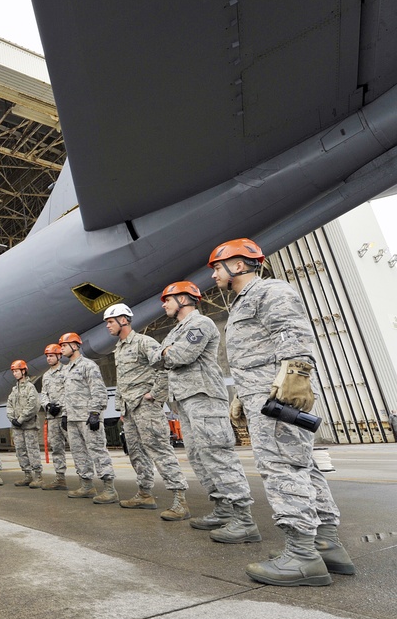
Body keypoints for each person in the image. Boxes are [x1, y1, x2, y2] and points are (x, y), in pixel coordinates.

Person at [209, 238, 353, 586]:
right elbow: (254, 354)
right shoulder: (244, 302)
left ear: (239, 265)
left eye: (217, 267)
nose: (213, 275)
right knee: (303, 466)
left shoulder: (270, 291)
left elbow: (291, 330)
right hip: (262, 393)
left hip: (277, 395)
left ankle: (302, 555)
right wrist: (242, 396)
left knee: (281, 468)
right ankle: (325, 543)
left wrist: (297, 374)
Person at [150, 281, 258, 538]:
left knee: (218, 453)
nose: (164, 304)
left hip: (205, 397)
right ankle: (223, 509)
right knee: (199, 456)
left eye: (168, 298)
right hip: (185, 400)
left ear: (185, 299)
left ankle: (244, 519)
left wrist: (167, 352)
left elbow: (179, 357)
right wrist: (166, 351)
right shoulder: (177, 330)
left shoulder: (201, 324)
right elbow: (155, 358)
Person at [104, 303, 190, 521]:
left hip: (146, 408)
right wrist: (121, 407)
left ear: (124, 320)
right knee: (135, 452)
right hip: (130, 410)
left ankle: (180, 500)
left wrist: (155, 395)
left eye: (110, 322)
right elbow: (123, 381)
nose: (108, 326)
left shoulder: (144, 342)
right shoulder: (120, 348)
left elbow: (165, 367)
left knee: (159, 450)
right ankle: (145, 494)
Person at [59, 333, 115, 502]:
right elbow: (66, 395)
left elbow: (98, 390)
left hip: (88, 417)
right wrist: (64, 414)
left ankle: (109, 489)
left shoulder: (88, 366)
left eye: (64, 345)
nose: (61, 348)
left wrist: (95, 413)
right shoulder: (67, 369)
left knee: (97, 451)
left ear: (75, 346)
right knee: (78, 453)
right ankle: (87, 486)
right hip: (73, 419)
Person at [8, 360, 43, 488]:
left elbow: (33, 405)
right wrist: (12, 419)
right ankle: (27, 475)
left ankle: (38, 476)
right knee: (20, 450)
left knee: (32, 450)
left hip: (29, 426)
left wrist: (21, 419)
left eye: (17, 371)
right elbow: (9, 405)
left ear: (23, 371)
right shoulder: (14, 389)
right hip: (17, 427)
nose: (15, 374)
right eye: (13, 372)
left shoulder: (30, 387)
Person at [38, 344, 69, 491]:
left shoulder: (67, 371)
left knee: (77, 447)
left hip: (66, 415)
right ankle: (60, 478)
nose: (49, 359)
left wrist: (61, 407)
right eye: (47, 356)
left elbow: (70, 391)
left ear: (59, 356)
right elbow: (43, 394)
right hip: (52, 417)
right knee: (56, 448)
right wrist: (48, 405)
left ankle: (86, 480)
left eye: (51, 355)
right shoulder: (46, 375)